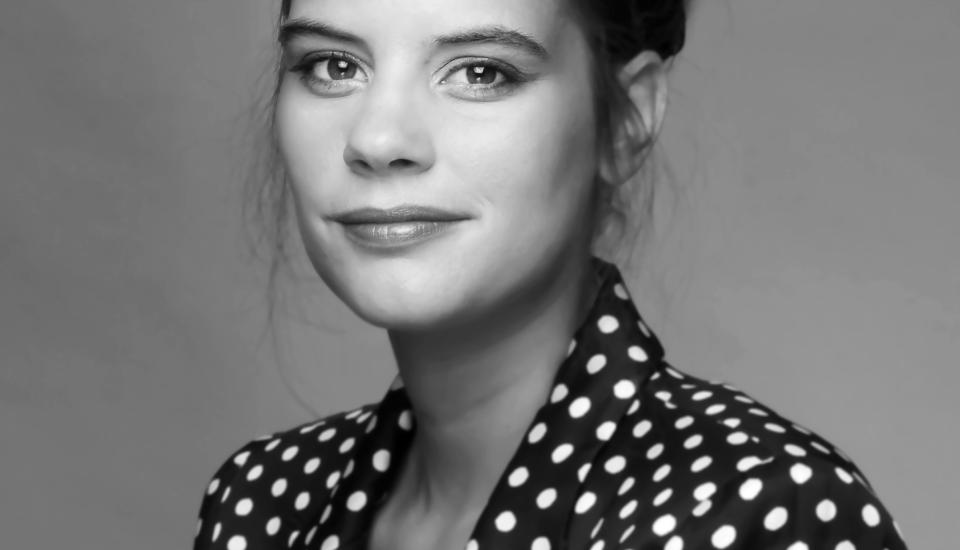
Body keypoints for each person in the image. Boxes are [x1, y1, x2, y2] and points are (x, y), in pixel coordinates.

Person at [193, 0, 908, 548]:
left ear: (626, 120)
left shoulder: (757, 511)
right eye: (333, 66)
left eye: (480, 72)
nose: (377, 139)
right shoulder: (260, 503)